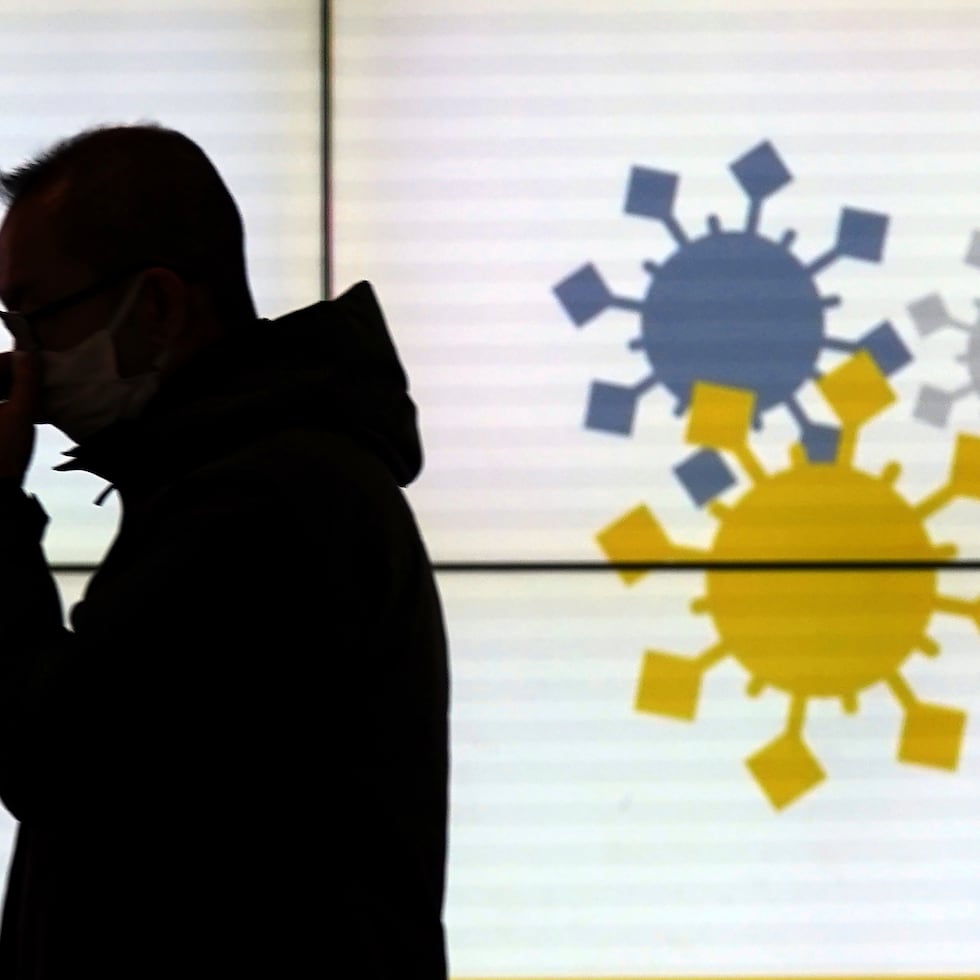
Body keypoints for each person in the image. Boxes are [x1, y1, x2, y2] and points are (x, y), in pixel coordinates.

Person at [0, 123, 450, 978]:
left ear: (161, 305)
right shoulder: (239, 474)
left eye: (36, 319)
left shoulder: (260, 501)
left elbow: (53, 758)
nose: (21, 362)